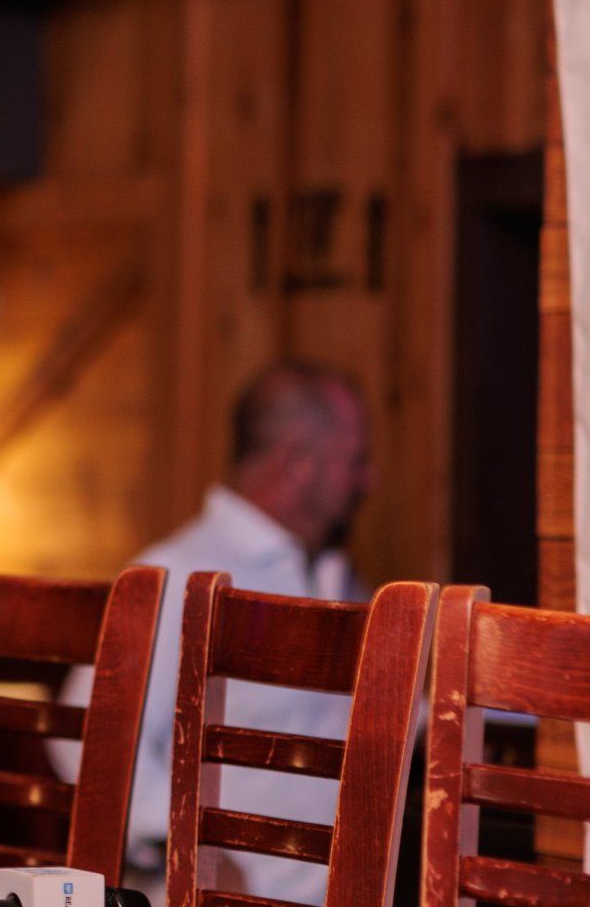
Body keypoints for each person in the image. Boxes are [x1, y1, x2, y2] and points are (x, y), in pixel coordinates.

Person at [49, 362, 375, 907]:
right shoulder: (180, 572)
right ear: (297, 461)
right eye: (356, 460)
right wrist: (195, 845)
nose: (369, 480)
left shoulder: (331, 573)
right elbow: (83, 737)